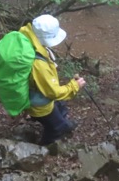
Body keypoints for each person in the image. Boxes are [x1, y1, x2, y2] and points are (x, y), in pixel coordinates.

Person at [19, 14, 85, 145]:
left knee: (61, 105)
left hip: (38, 94)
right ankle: (43, 149)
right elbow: (52, 93)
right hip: (39, 105)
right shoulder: (38, 64)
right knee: (55, 129)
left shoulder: (29, 40)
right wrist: (74, 86)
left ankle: (64, 122)